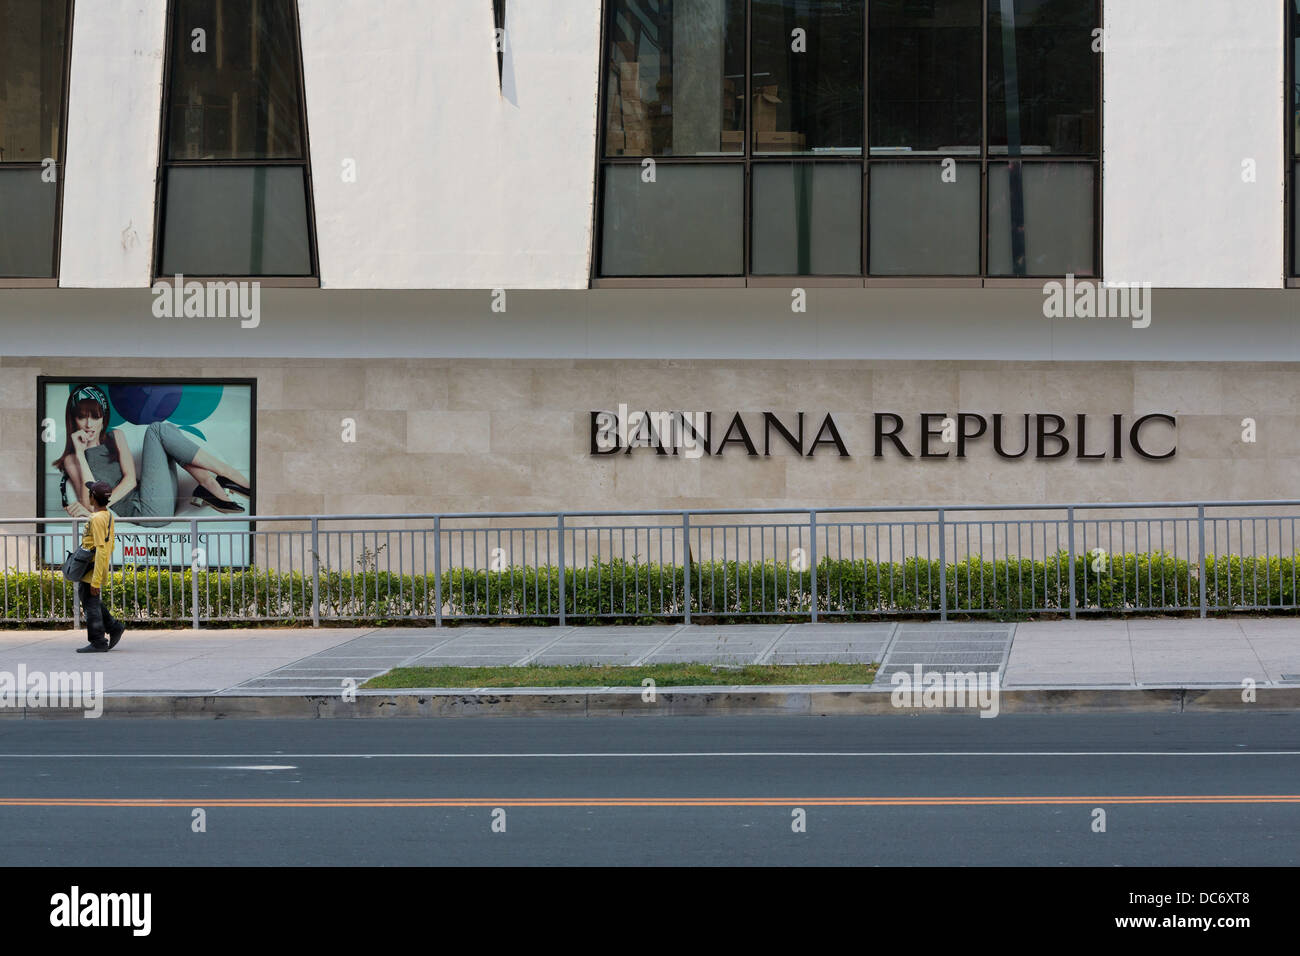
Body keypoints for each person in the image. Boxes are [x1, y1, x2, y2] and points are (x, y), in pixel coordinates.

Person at [55, 385, 251, 520]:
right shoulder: (73, 459)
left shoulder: (116, 436)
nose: (89, 424)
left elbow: (130, 480)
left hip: (155, 497)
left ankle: (209, 483)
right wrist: (81, 454)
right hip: (143, 512)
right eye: (82, 418)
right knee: (157, 430)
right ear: (74, 420)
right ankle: (225, 476)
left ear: (102, 417)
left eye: (95, 417)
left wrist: (103, 503)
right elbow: (91, 506)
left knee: (169, 431)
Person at [76, 480, 124, 653]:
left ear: (92, 498)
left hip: (92, 566)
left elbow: (102, 549)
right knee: (90, 600)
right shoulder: (108, 515)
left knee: (90, 603)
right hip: (93, 565)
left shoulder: (96, 519)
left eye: (90, 493)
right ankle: (113, 626)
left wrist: (96, 580)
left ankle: (98, 641)